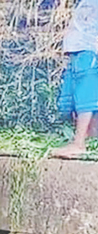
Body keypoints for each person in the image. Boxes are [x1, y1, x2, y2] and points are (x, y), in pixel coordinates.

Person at [53, 0, 98, 158]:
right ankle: (90, 138)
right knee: (83, 96)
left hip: (89, 48)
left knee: (85, 97)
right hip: (80, 48)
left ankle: (79, 144)